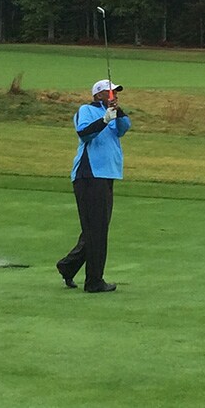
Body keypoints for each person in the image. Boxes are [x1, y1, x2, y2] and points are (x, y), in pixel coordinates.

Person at [56, 79, 131, 293]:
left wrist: (117, 112)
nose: (114, 96)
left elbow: (124, 128)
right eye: (110, 92)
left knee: (96, 228)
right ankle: (94, 281)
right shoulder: (86, 110)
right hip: (89, 174)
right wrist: (104, 119)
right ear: (98, 95)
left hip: (107, 174)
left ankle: (69, 266)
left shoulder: (113, 112)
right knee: (96, 229)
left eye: (115, 93)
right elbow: (85, 133)